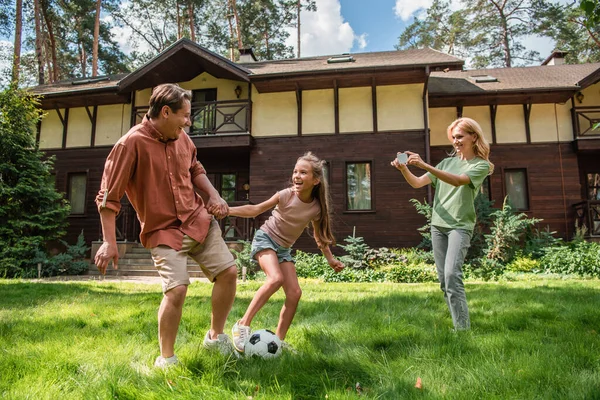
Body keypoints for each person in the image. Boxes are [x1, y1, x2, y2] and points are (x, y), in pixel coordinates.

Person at [94, 83, 239, 367]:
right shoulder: (130, 144)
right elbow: (108, 197)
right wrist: (110, 242)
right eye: (184, 116)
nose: (188, 122)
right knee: (177, 289)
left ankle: (214, 337)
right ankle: (167, 360)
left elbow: (195, 168)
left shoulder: (182, 138)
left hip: (198, 220)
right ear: (165, 112)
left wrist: (213, 195)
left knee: (229, 272)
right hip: (163, 230)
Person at [228, 152, 345, 353]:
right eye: (295, 171)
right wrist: (227, 210)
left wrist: (330, 259)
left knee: (294, 293)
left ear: (316, 180)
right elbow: (256, 209)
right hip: (265, 239)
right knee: (275, 279)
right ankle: (242, 325)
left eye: (303, 172)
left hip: (283, 249)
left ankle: (277, 342)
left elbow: (319, 238)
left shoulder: (316, 208)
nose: (297, 176)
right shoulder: (285, 195)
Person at [391, 117, 493, 330]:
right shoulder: (446, 163)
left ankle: (462, 330)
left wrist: (424, 164)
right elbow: (418, 183)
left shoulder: (480, 165)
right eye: (453, 137)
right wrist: (404, 169)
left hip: (459, 226)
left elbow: (457, 181)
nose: (456, 141)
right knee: (444, 281)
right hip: (438, 225)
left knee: (451, 275)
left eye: (460, 136)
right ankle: (458, 323)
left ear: (474, 137)